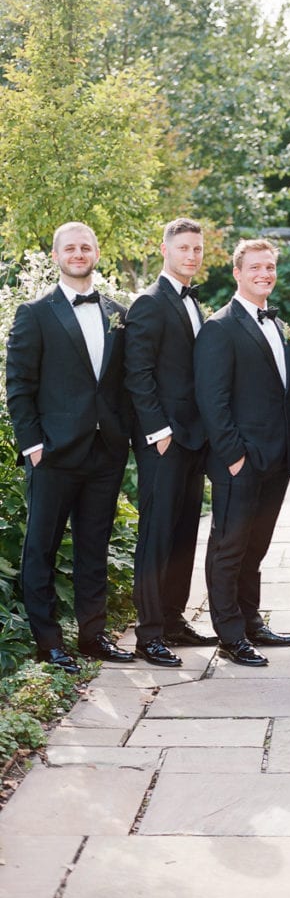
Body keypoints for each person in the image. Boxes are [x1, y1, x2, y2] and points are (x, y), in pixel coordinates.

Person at [5, 221, 133, 673]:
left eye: (86, 246)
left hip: (105, 451)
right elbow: (18, 385)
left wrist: (124, 437)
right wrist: (33, 445)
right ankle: (49, 643)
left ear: (97, 253)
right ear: (57, 256)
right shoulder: (34, 313)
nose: (79, 253)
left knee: (93, 546)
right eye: (70, 248)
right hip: (54, 452)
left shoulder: (118, 313)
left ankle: (93, 636)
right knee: (41, 547)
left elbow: (121, 383)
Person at [194, 239, 290, 667]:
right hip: (239, 460)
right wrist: (233, 456)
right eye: (255, 267)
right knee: (229, 547)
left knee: (255, 547)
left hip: (275, 460)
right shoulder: (220, 327)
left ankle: (251, 620)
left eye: (270, 266)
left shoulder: (276, 324)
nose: (264, 273)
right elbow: (212, 400)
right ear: (237, 273)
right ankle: (229, 634)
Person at [125, 218, 216, 668]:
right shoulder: (149, 302)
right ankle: (149, 633)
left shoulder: (193, 303)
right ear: (165, 250)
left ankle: (175, 621)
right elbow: (137, 374)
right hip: (164, 440)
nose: (192, 256)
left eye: (197, 249)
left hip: (194, 439)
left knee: (183, 534)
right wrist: (158, 432)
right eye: (184, 248)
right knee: (157, 536)